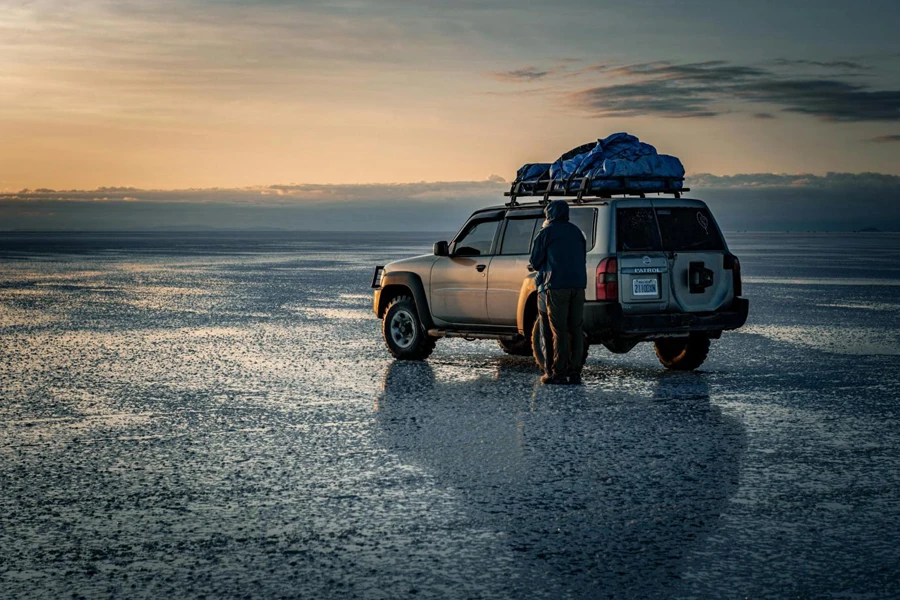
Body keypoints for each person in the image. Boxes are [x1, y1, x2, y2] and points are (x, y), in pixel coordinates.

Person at [529, 200, 587, 385]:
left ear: (549, 215)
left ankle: (557, 373)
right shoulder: (577, 232)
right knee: (576, 330)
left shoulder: (546, 232)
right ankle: (575, 372)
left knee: (558, 330)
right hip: (578, 286)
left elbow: (535, 261)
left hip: (556, 286)